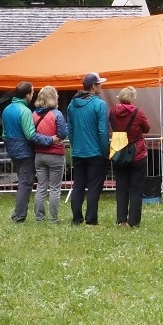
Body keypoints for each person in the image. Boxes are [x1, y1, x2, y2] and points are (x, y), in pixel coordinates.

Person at [2, 81, 55, 224]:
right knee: (25, 184)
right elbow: (31, 135)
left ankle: (19, 214)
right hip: (24, 151)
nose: (33, 95)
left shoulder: (7, 109)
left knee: (22, 181)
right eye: (32, 93)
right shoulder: (24, 111)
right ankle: (19, 216)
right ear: (27, 95)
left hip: (12, 149)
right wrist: (50, 140)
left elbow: (4, 133)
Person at [68, 73, 110, 226]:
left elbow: (70, 129)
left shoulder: (71, 104)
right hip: (95, 152)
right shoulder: (99, 104)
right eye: (99, 84)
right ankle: (91, 219)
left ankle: (76, 218)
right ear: (93, 86)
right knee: (94, 186)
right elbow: (102, 131)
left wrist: (75, 145)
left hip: (78, 151)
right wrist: (105, 150)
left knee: (78, 185)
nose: (101, 86)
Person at [110, 86, 151, 228]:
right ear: (133, 98)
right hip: (137, 153)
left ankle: (121, 220)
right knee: (136, 188)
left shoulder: (113, 112)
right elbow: (146, 128)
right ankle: (133, 221)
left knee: (121, 187)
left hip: (119, 151)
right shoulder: (138, 113)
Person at [31, 86, 69, 223]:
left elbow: (31, 134)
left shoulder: (34, 115)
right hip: (55, 154)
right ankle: (53, 218)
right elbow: (63, 134)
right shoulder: (57, 114)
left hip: (39, 154)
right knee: (54, 188)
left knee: (41, 187)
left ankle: (39, 217)